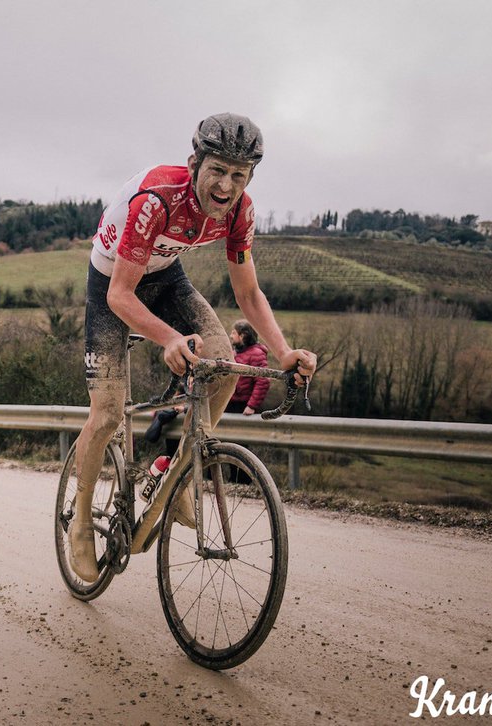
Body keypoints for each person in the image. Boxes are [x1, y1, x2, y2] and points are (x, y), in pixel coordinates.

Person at [70, 113, 317, 583]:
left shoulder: (241, 211)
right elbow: (119, 295)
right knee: (106, 414)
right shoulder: (157, 200)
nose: (226, 186)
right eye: (217, 171)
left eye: (238, 176)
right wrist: (168, 338)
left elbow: (248, 294)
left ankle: (175, 467)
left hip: (165, 277)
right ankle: (81, 523)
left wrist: (283, 351)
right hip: (111, 282)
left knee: (223, 364)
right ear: (194, 163)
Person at [226, 320, 270, 415]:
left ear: (242, 336)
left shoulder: (256, 354)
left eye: (233, 333)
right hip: (230, 402)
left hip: (244, 405)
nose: (230, 336)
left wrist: (251, 406)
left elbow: (262, 381)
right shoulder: (234, 353)